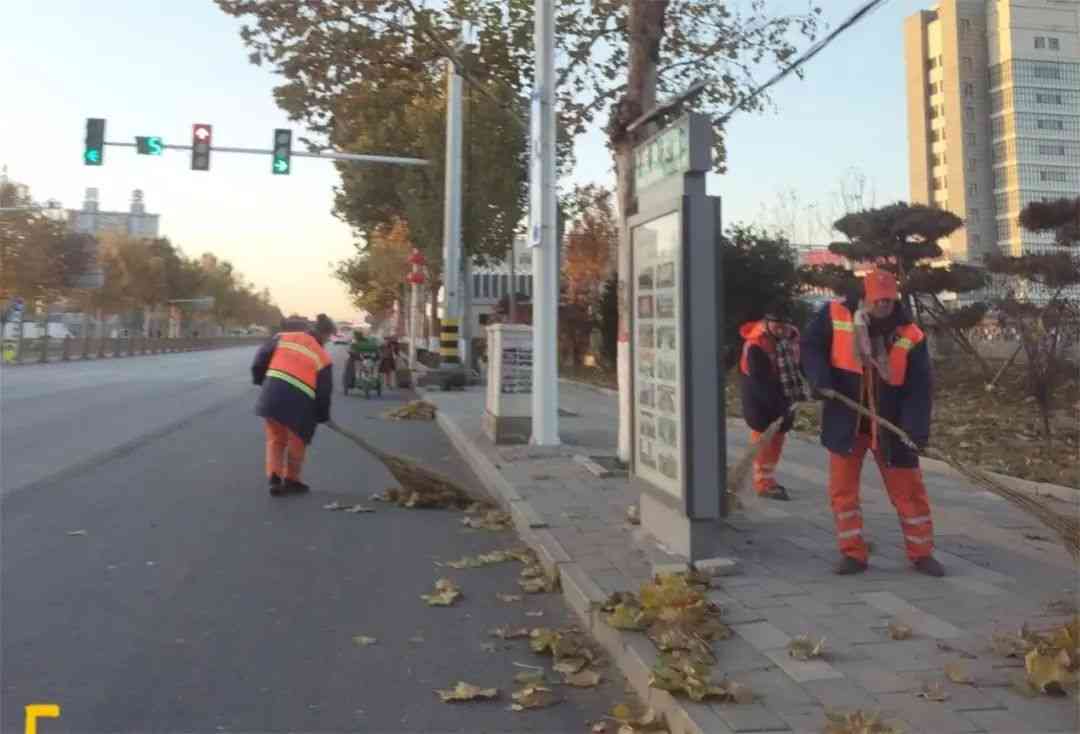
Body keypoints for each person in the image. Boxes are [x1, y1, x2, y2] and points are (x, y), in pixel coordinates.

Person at [801, 270, 945, 577]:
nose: (883, 306)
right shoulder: (835, 314)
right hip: (846, 419)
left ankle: (922, 553)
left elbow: (919, 388)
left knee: (909, 492)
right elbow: (811, 347)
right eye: (877, 300)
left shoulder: (910, 334)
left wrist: (914, 430)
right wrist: (820, 380)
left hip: (891, 425)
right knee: (843, 491)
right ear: (864, 297)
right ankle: (853, 553)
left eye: (888, 301)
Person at [251, 314, 335, 495]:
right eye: (328, 338)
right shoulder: (323, 357)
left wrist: (261, 380)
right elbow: (323, 392)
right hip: (300, 402)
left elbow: (260, 359)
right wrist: (322, 415)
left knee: (276, 438)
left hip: (271, 396)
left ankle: (274, 476)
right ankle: (292, 479)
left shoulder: (282, 338)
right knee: (298, 441)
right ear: (324, 335)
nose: (327, 342)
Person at [738, 305, 806, 501]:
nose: (781, 329)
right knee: (763, 438)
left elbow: (798, 365)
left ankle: (768, 477)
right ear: (767, 323)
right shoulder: (756, 345)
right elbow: (760, 383)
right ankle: (762, 483)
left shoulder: (791, 338)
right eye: (776, 325)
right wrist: (779, 407)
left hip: (783, 389)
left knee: (778, 436)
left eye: (784, 325)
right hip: (757, 394)